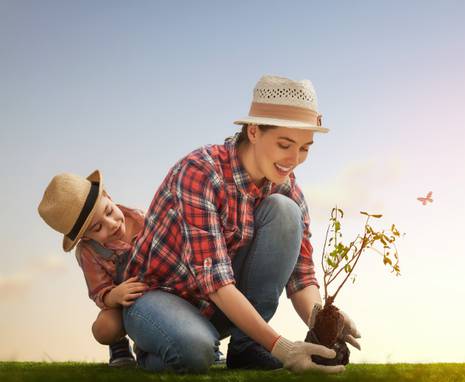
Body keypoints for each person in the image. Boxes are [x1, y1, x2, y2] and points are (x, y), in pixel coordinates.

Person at [123, 75, 361, 374]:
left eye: (305, 148)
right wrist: (283, 348)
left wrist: (323, 318)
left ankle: (247, 348)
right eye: (285, 144)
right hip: (156, 298)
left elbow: (301, 276)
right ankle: (154, 348)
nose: (295, 159)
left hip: (217, 310)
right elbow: (216, 283)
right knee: (195, 353)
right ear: (253, 131)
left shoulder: (288, 190)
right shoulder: (200, 172)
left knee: (286, 211)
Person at [38, 170, 147, 367]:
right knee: (104, 329)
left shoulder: (143, 220)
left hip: (157, 290)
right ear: (86, 237)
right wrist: (115, 296)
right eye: (98, 228)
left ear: (108, 196)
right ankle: (119, 345)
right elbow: (99, 292)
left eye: (109, 211)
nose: (112, 224)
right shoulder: (89, 252)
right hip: (120, 302)